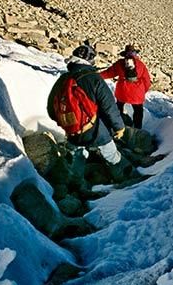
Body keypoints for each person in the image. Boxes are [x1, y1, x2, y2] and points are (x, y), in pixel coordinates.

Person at [47, 43, 132, 182]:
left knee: (77, 158)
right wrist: (119, 127)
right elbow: (109, 106)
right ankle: (125, 181)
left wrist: (67, 123)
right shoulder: (94, 78)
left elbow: (51, 109)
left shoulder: (63, 79)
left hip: (73, 131)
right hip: (97, 131)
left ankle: (76, 187)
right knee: (111, 154)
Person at [100, 44, 151, 129]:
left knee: (118, 107)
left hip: (122, 91)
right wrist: (143, 91)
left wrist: (96, 76)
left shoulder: (120, 63)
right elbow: (147, 81)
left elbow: (108, 73)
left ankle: (117, 126)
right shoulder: (140, 64)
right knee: (138, 111)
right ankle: (137, 129)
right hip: (137, 93)